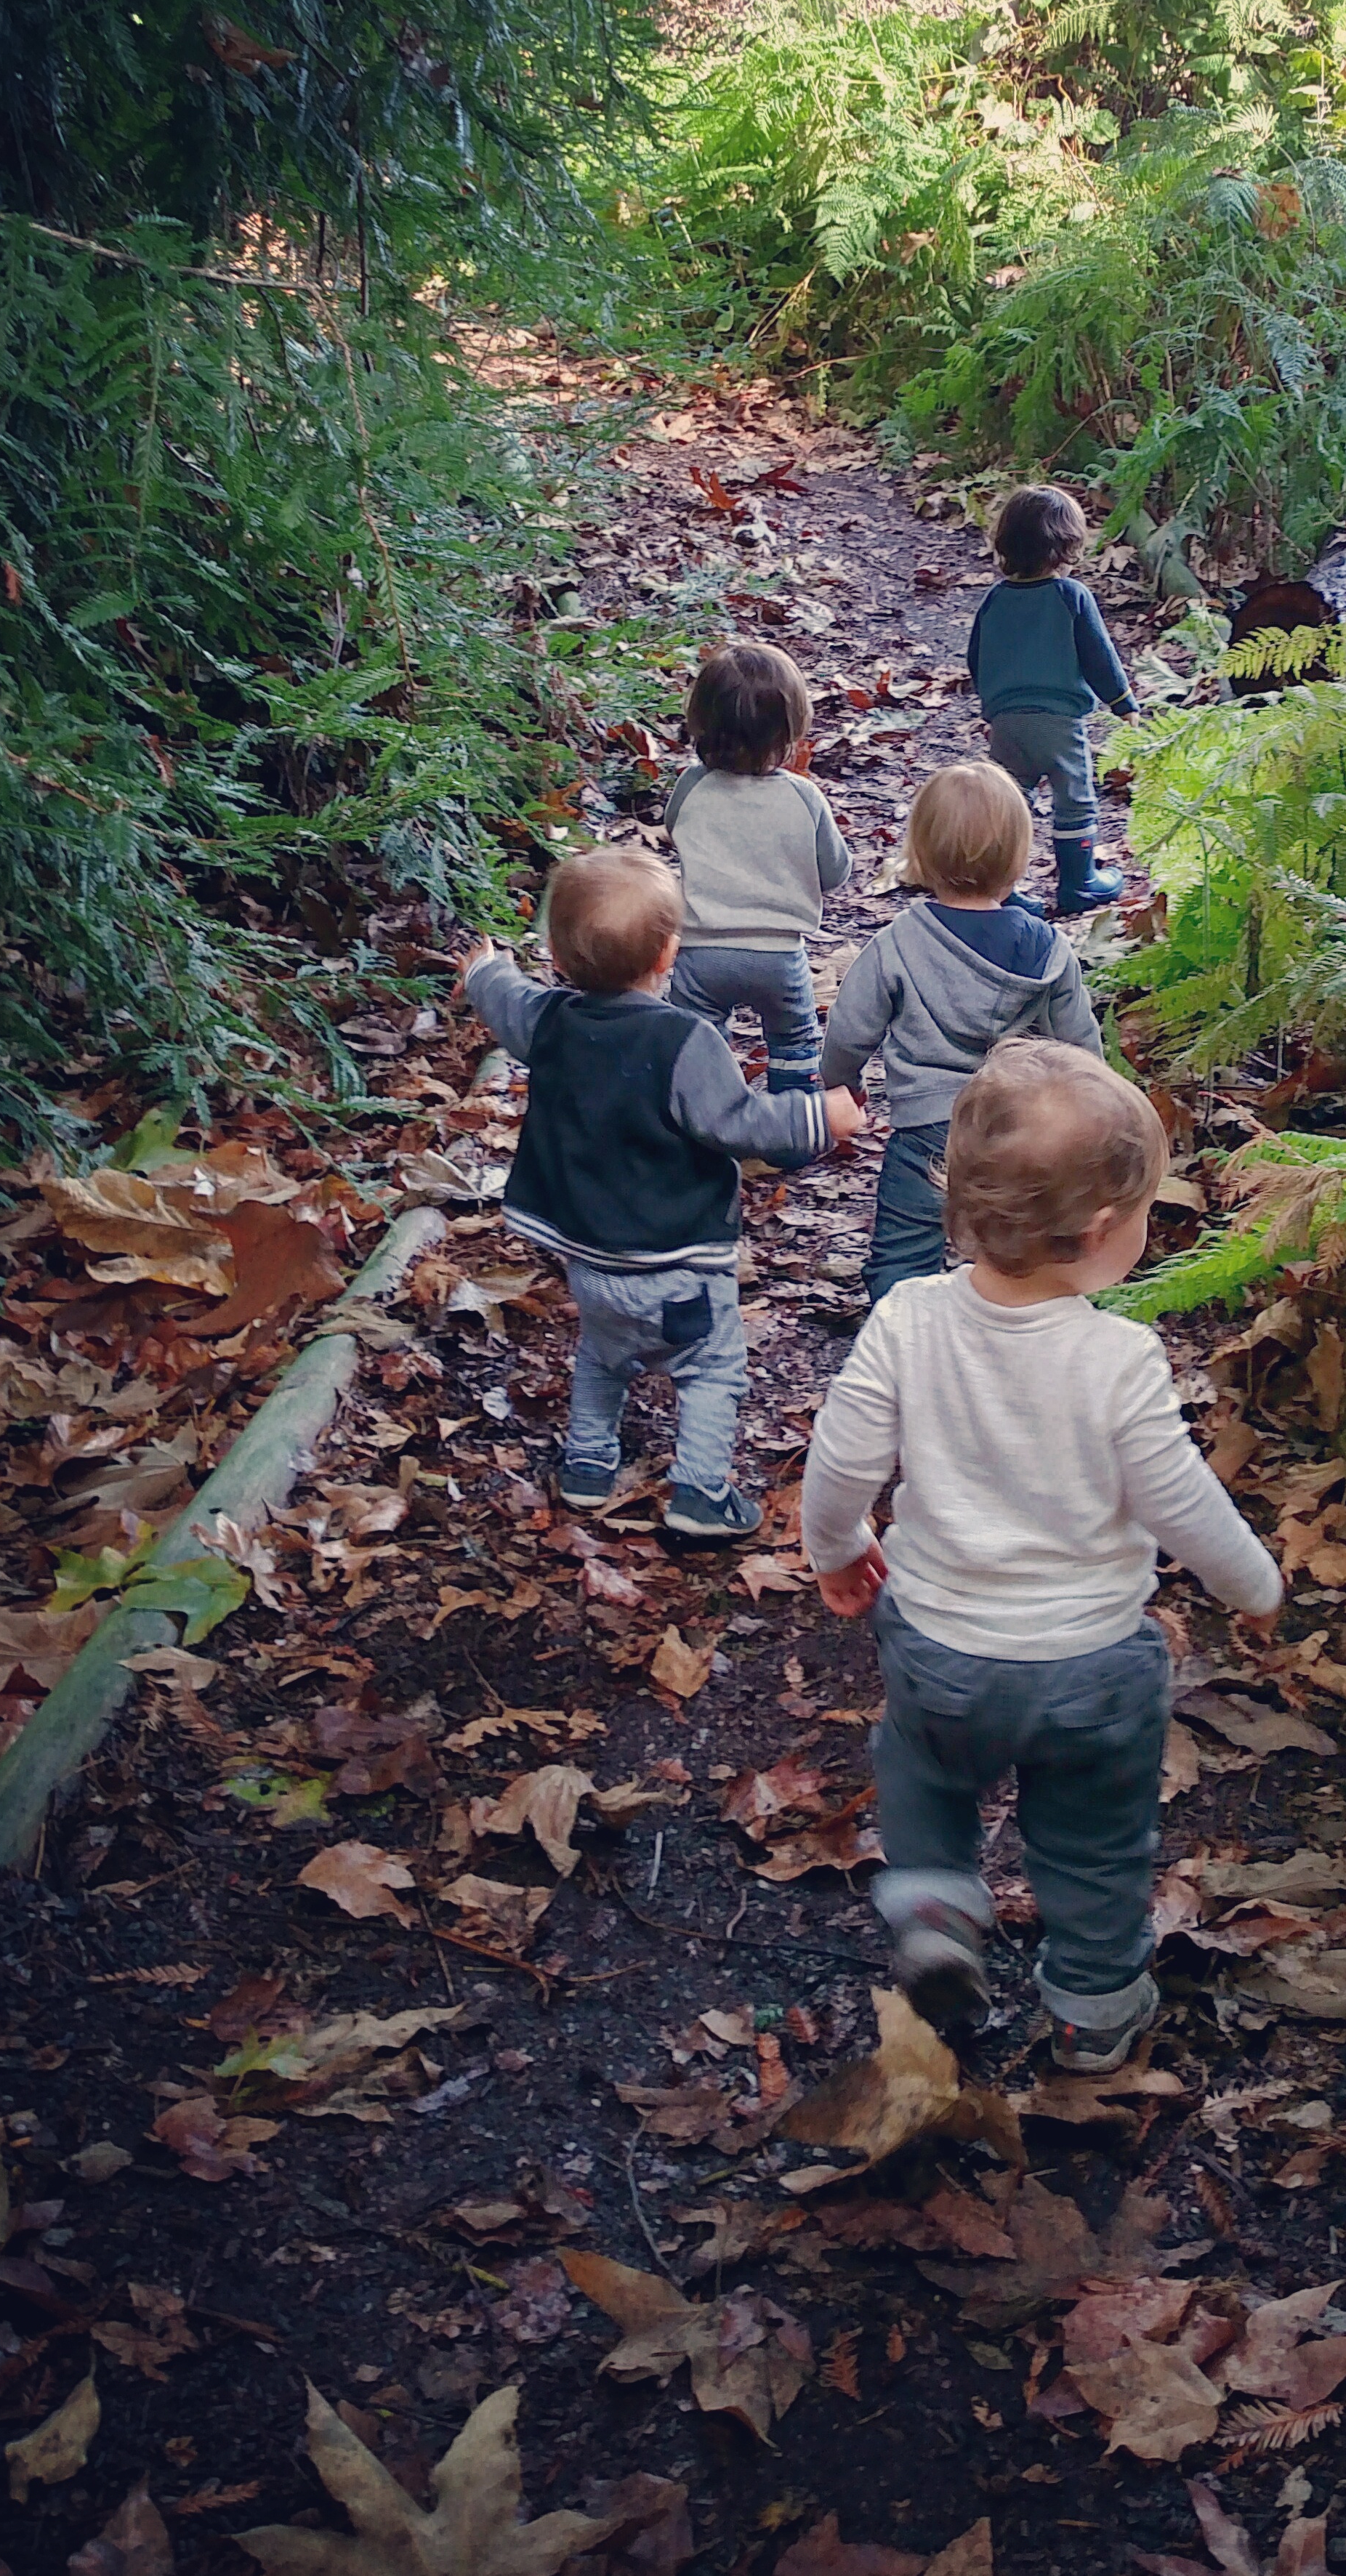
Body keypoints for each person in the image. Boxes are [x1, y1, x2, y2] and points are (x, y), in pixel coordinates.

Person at [802, 1040, 1283, 2072]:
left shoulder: (908, 1320)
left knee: (921, 1767)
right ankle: (1094, 2009)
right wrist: (1252, 1584)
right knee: (1096, 1843)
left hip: (940, 1645)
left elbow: (841, 1459)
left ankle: (935, 1906)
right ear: (1103, 1231)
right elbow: (1179, 1500)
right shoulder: (1118, 1359)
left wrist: (838, 1548)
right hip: (1091, 1668)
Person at [461, 846, 863, 1540]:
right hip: (677, 1265)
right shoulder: (685, 1041)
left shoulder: (550, 1021)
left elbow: (506, 1000)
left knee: (603, 1356)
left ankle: (587, 1465)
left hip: (590, 1260)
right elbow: (737, 1123)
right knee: (711, 1369)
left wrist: (483, 968)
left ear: (557, 955)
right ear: (669, 952)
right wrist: (818, 1117)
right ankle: (700, 1491)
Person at [820, 761, 1103, 1305]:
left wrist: (840, 1081)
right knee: (1014, 1251)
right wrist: (1090, 1120)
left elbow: (850, 1028)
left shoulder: (899, 942)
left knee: (904, 1254)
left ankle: (901, 1340)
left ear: (920, 856)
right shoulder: (1047, 949)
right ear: (1019, 859)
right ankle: (1006, 1328)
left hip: (926, 1131)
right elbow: (1080, 1047)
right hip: (1014, 1128)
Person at [666, 640, 852, 1093]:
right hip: (778, 954)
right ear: (790, 730)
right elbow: (835, 872)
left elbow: (675, 831)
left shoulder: (691, 786)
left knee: (696, 1041)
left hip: (702, 951)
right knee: (794, 1043)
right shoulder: (804, 798)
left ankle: (706, 1112)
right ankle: (792, 1119)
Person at [966, 483, 1138, 918]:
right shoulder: (1070, 596)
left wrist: (993, 704)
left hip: (1007, 722)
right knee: (1074, 797)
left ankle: (1003, 888)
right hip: (1059, 721)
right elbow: (1098, 656)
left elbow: (977, 656)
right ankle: (1079, 883)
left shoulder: (994, 599)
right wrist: (1123, 703)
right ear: (1066, 545)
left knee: (1011, 802)